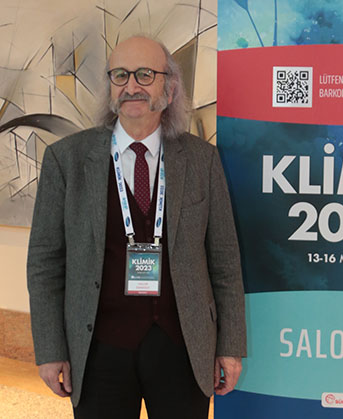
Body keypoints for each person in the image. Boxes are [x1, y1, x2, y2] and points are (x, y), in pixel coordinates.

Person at [27, 35, 246, 418]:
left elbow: (225, 261)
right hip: (97, 350)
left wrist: (230, 345)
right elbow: (45, 262)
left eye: (145, 75)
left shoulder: (202, 161)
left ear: (170, 87)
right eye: (120, 75)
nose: (131, 86)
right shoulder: (66, 160)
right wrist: (50, 349)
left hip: (184, 348)